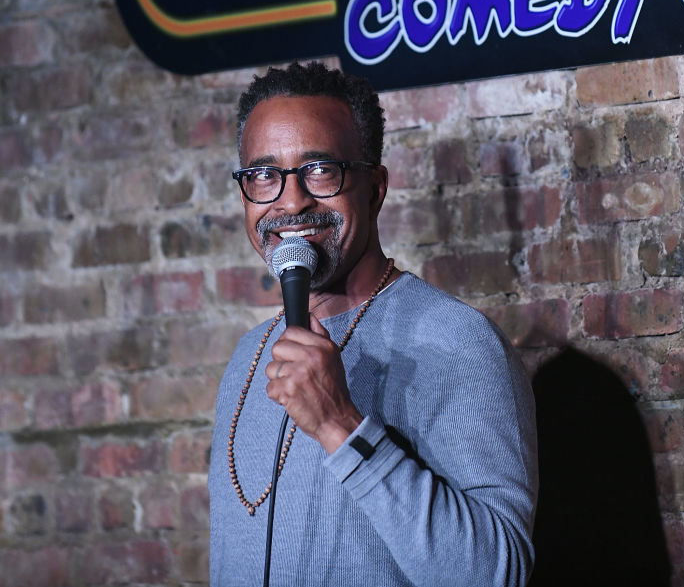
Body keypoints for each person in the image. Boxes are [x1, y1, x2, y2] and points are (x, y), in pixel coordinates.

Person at [208, 61, 538, 586]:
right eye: (263, 175)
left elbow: (498, 574)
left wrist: (339, 424)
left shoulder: (456, 341)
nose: (290, 201)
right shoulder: (248, 359)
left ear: (375, 188)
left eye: (320, 169)